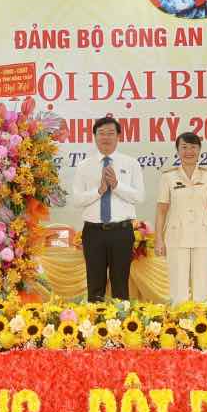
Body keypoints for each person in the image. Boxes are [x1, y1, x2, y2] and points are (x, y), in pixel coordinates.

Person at [72, 116, 145, 301]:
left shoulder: (131, 164)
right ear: (94, 136)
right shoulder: (84, 166)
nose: (106, 137)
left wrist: (116, 185)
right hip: (93, 232)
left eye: (111, 133)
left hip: (121, 231)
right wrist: (99, 191)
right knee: (95, 285)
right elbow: (77, 200)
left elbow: (139, 196)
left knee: (120, 284)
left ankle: (121, 327)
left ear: (119, 136)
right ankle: (95, 327)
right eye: (101, 133)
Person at [154, 132, 207, 303]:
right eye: (184, 147)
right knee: (178, 291)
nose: (189, 151)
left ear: (200, 150)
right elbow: (161, 210)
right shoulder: (168, 177)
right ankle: (179, 326)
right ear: (177, 150)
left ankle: (202, 326)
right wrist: (158, 238)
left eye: (193, 147)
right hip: (176, 236)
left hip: (203, 236)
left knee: (202, 289)